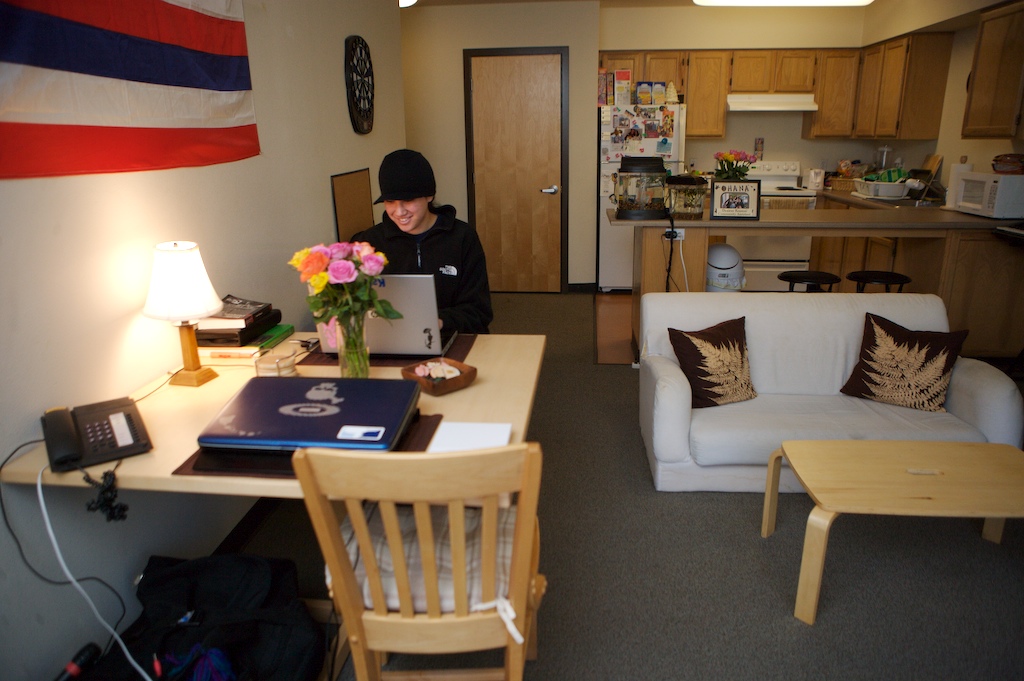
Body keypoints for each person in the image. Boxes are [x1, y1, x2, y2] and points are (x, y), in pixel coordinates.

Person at [352, 149, 493, 334]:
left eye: (408, 200)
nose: (399, 211)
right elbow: (357, 306)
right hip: (391, 339)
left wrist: (438, 322)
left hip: (454, 337)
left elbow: (479, 312)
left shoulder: (462, 237)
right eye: (390, 201)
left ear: (429, 195)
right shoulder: (369, 243)